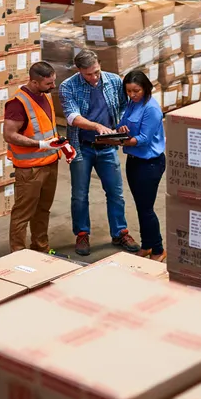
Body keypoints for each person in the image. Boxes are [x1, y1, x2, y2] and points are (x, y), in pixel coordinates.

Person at [58, 50, 140, 256]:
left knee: (115, 193)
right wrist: (96, 126)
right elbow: (71, 116)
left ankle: (120, 232)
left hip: (108, 148)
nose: (94, 77)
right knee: (79, 194)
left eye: (96, 72)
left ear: (99, 64)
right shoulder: (68, 86)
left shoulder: (113, 81)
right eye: (88, 74)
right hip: (82, 147)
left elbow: (124, 107)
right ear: (79, 71)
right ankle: (82, 233)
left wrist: (121, 124)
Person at [3, 62, 71, 252]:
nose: (53, 86)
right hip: (30, 169)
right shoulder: (18, 103)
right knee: (23, 213)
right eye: (49, 83)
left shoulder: (45, 96)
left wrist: (61, 146)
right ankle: (17, 253)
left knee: (42, 211)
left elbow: (46, 129)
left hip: (50, 163)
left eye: (53, 81)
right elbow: (9, 135)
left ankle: (41, 248)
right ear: (34, 82)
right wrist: (40, 145)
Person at [116, 70, 166, 261]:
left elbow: (144, 139)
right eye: (128, 91)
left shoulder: (151, 108)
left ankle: (159, 249)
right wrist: (120, 129)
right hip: (134, 161)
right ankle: (147, 245)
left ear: (145, 88)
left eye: (136, 91)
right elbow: (123, 122)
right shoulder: (132, 104)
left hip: (150, 164)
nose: (132, 95)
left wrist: (121, 142)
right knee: (140, 206)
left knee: (147, 208)